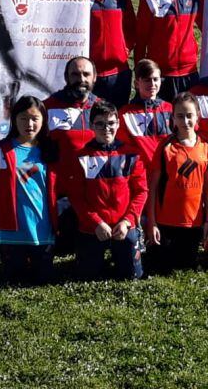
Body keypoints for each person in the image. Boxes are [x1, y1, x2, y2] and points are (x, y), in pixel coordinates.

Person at [69, 101, 148, 281]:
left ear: (118, 123)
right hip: (93, 228)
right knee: (87, 277)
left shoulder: (131, 154)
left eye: (111, 123)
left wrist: (127, 221)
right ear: (91, 126)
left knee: (132, 276)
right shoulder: (81, 157)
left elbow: (141, 191)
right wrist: (96, 222)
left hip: (124, 225)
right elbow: (76, 196)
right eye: (100, 124)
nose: (106, 128)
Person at [0, 95, 59, 284]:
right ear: (14, 120)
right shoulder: (0, 151)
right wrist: (7, 205)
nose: (30, 124)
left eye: (35, 118)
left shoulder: (50, 150)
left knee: (43, 280)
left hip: (42, 227)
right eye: (23, 118)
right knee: (14, 280)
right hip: (12, 230)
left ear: (43, 120)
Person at [144, 92, 208, 274]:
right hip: (167, 221)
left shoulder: (206, 147)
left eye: (189, 115)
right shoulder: (166, 147)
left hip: (194, 222)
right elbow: (153, 187)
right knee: (162, 267)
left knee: (186, 266)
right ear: (172, 117)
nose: (185, 121)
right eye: (180, 116)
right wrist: (152, 222)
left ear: (197, 115)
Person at [134, 0, 203, 102]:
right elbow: (141, 40)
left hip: (190, 73)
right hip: (161, 77)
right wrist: (140, 75)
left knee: (189, 124)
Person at [43, 56, 98, 255]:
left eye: (86, 74)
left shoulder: (102, 109)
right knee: (62, 248)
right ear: (66, 77)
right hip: (62, 190)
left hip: (94, 190)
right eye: (75, 74)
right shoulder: (47, 107)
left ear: (94, 78)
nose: (81, 79)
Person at [88, 0, 138, 108]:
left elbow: (131, 27)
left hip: (119, 74)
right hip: (91, 75)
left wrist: (123, 50)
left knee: (117, 122)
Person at [118, 59, 174, 168]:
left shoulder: (170, 108)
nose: (152, 84)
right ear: (137, 83)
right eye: (147, 80)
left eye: (155, 79)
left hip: (168, 170)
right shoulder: (125, 113)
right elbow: (123, 148)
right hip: (140, 173)